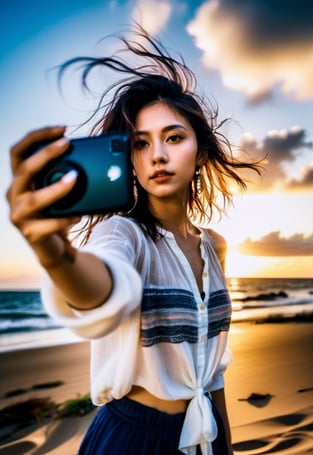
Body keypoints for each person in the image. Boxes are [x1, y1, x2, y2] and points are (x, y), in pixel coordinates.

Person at [7, 26, 261, 455]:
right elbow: (103, 288)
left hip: (208, 433)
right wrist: (55, 254)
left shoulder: (214, 246)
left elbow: (213, 370)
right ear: (131, 161)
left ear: (200, 153)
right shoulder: (123, 233)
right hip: (132, 438)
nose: (157, 155)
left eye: (174, 138)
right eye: (140, 144)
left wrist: (227, 446)